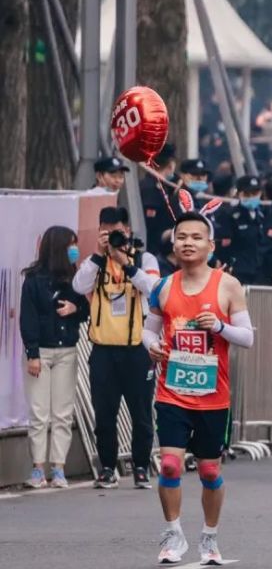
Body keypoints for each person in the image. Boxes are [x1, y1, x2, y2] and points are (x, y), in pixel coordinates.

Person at [142, 209, 254, 565]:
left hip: (213, 396)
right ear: (173, 244)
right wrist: (152, 346)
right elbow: (148, 329)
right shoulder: (163, 286)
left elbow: (248, 338)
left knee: (209, 470)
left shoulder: (227, 285)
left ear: (210, 244)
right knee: (171, 466)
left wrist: (219, 328)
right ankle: (173, 534)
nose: (188, 243)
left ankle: (209, 537)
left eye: (195, 237)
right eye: (181, 237)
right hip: (172, 391)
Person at [72, 207, 160, 489]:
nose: (112, 237)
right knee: (104, 413)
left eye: (117, 231)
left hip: (137, 349)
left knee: (142, 413)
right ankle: (108, 468)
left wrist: (126, 262)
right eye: (106, 232)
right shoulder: (94, 261)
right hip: (104, 349)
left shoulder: (144, 258)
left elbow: (154, 289)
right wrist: (100, 255)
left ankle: (141, 467)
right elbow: (78, 285)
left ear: (128, 230)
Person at [20, 227, 89, 489]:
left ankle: (59, 467)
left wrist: (76, 307)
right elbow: (28, 318)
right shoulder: (34, 279)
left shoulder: (75, 279)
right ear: (58, 247)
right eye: (71, 245)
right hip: (42, 352)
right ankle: (38, 468)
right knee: (39, 412)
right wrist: (32, 353)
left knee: (62, 412)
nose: (75, 249)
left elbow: (86, 310)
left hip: (67, 350)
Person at [217, 175, 266, 285]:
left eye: (255, 194)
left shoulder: (262, 215)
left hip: (258, 269)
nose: (252, 197)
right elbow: (224, 246)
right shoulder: (230, 215)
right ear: (239, 194)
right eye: (247, 194)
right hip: (237, 271)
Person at [140, 143, 180, 258]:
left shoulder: (163, 186)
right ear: (171, 165)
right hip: (153, 250)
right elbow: (151, 225)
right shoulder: (151, 188)